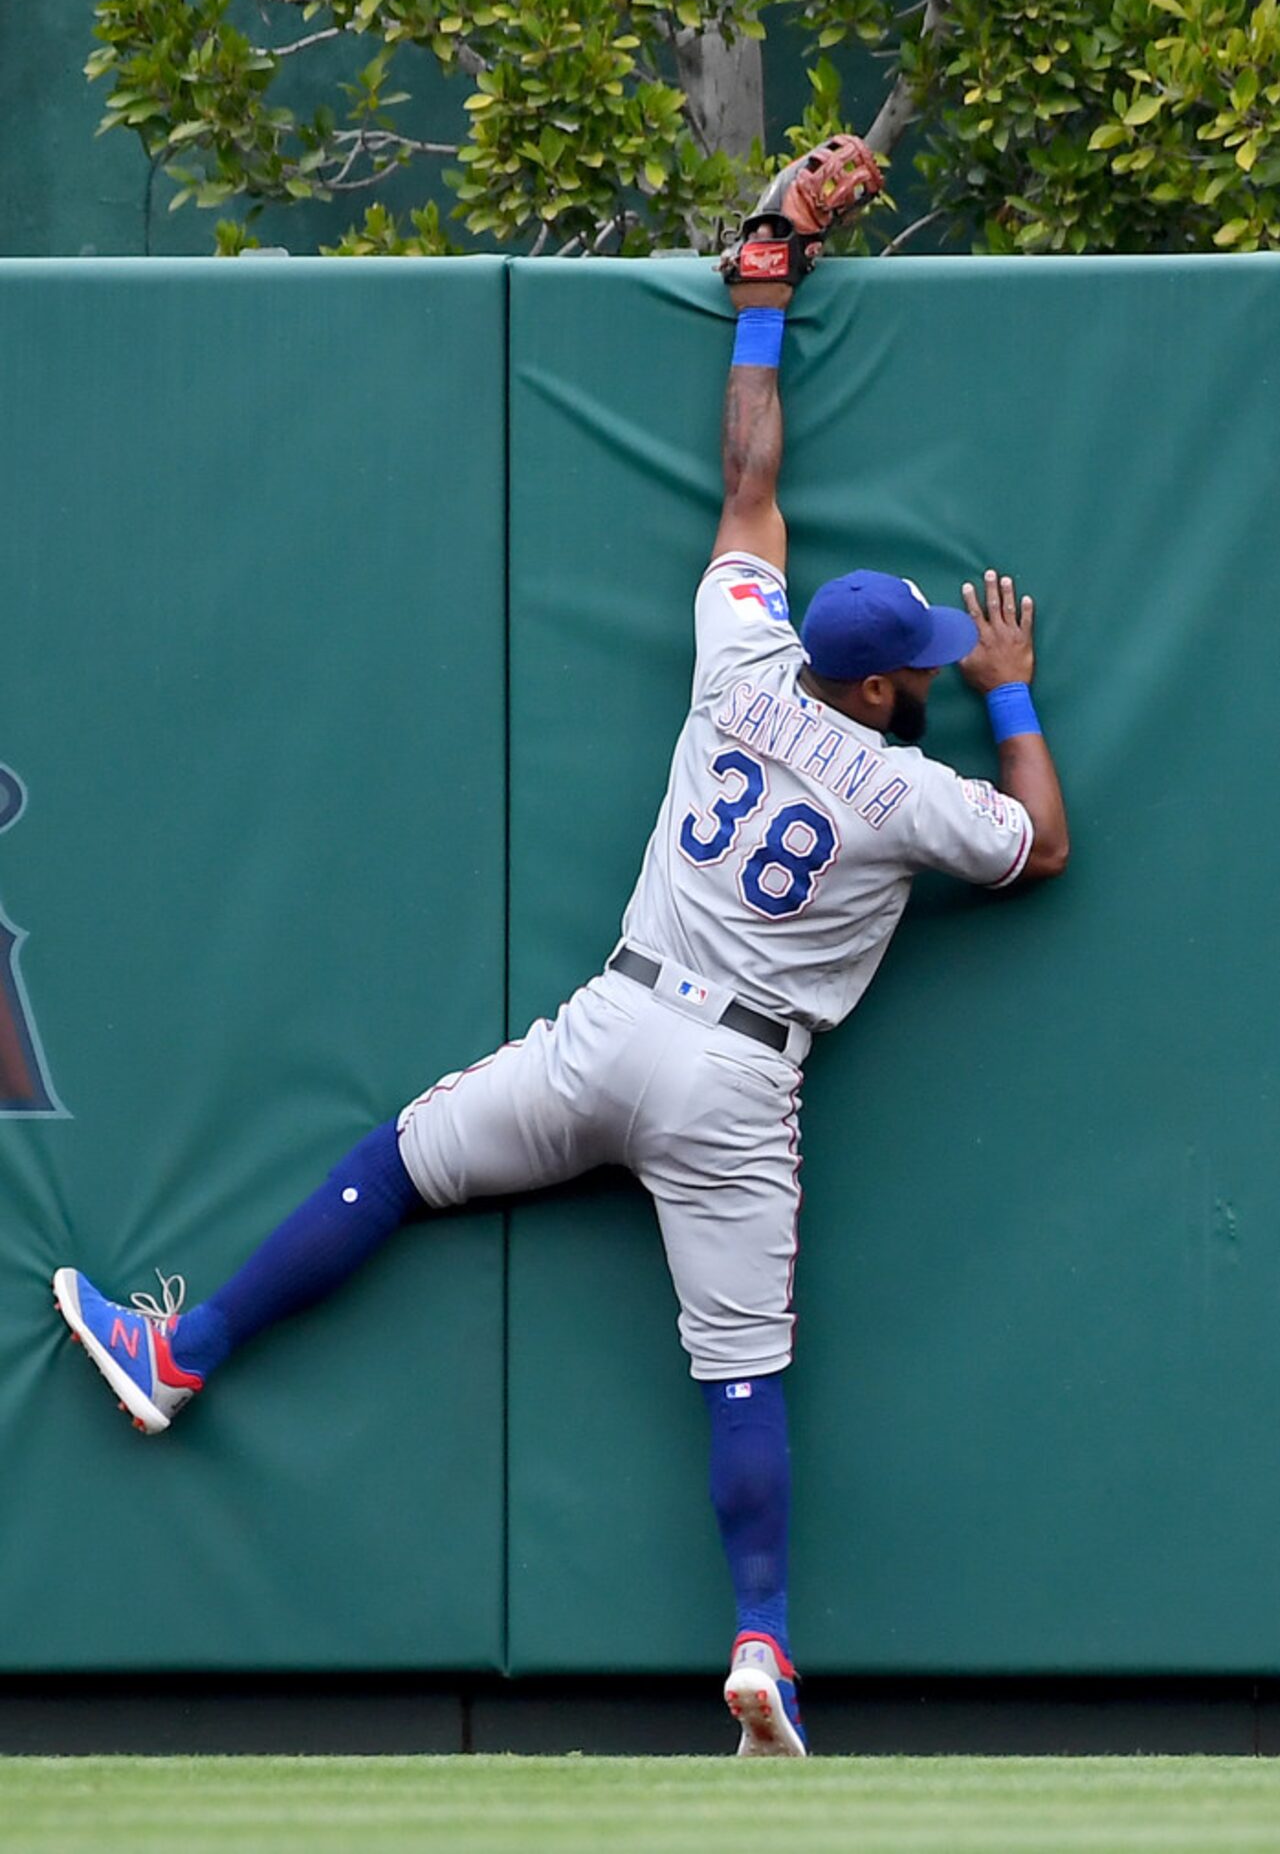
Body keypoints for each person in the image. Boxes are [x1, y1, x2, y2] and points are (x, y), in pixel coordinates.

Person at [52, 255, 1069, 1759]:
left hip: (613, 1025)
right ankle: (763, 1643)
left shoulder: (741, 656)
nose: (925, 667)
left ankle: (183, 1350)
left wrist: (761, 291)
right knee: (740, 1370)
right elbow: (1039, 845)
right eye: (912, 661)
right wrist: (1010, 692)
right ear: (868, 690)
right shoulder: (913, 785)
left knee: (394, 1164)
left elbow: (745, 483)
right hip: (734, 1083)